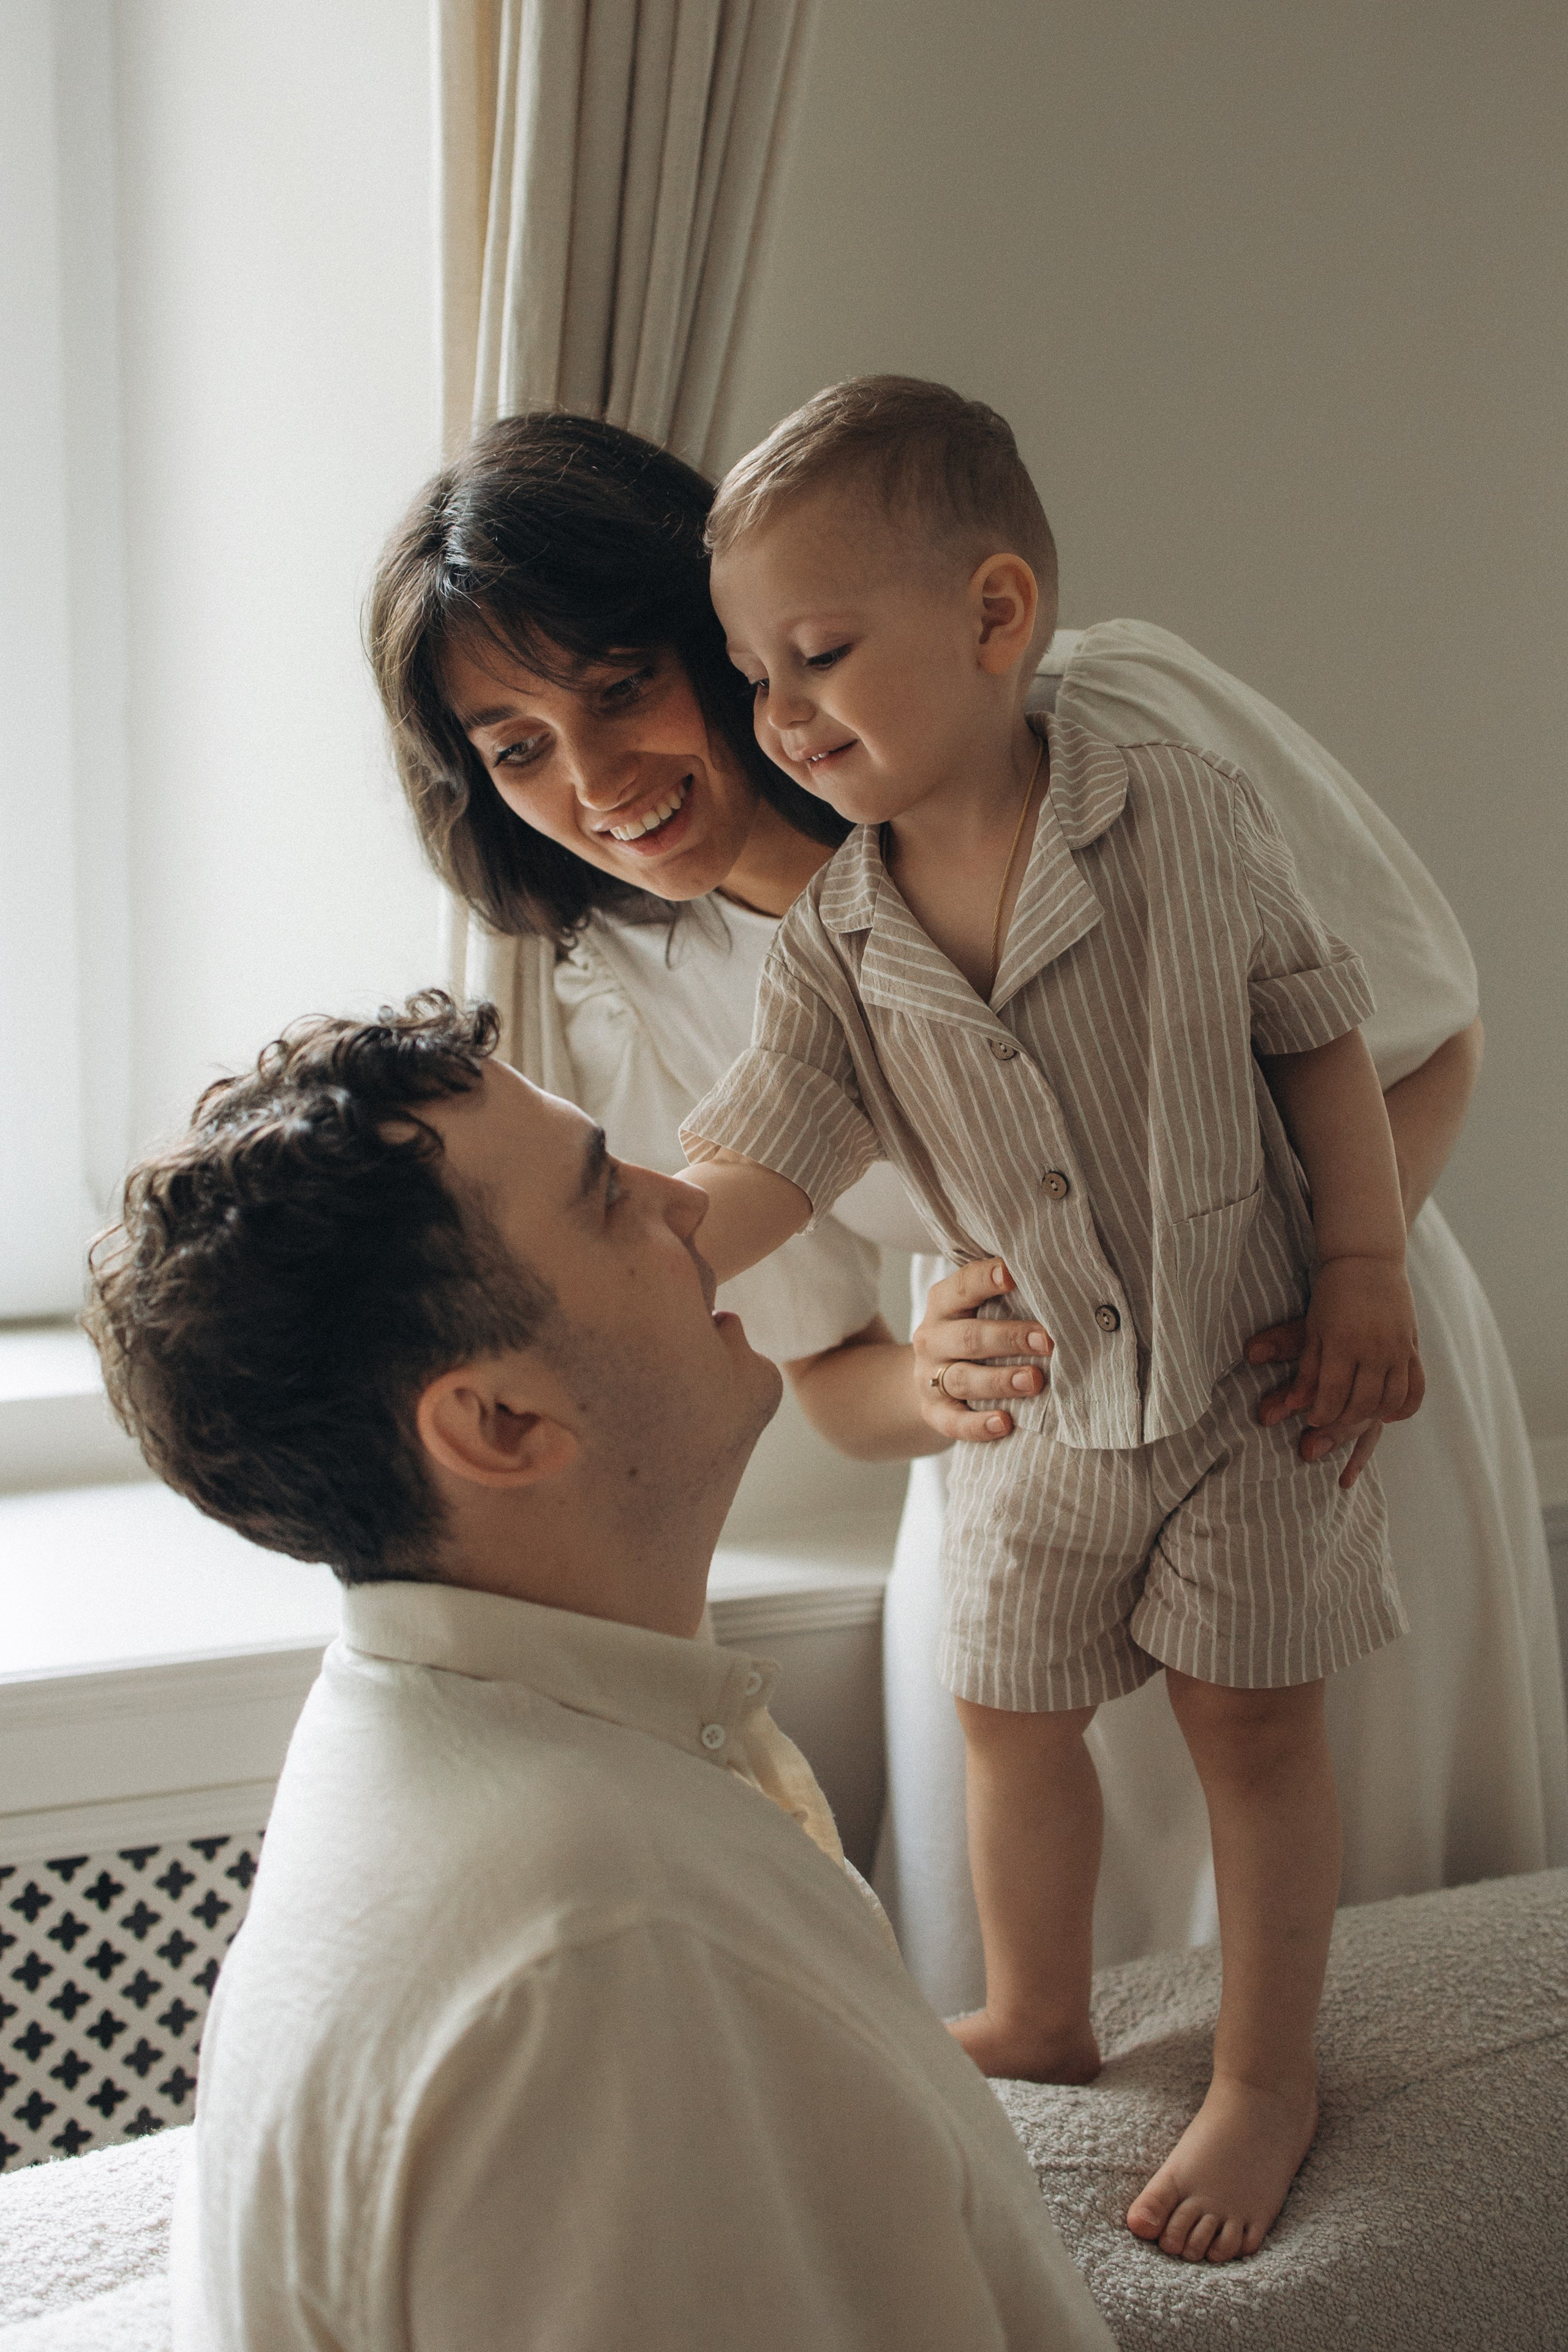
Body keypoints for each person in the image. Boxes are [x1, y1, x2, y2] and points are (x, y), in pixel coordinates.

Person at [368, 412, 1564, 1997]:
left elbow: (1425, 1027)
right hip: (1032, 1470)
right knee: (1065, 1953)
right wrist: (927, 1383)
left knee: (1383, 1957)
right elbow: (828, 1376)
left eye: (617, 686)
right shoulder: (639, 995)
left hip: (1321, 1383)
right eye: (518, 747)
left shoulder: (1114, 732)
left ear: (719, 638)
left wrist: (1297, 1291)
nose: (595, 779)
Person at [678, 374, 1428, 2262]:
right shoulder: (839, 939)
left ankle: (1266, 2072)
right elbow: (768, 1149)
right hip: (1038, 1419)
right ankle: (1041, 2005)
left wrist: (1363, 1270)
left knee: (1253, 1723)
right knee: (1005, 1713)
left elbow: (1322, 1030)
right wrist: (642, 1240)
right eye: (755, 673)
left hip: (1255, 1382)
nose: (780, 713)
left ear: (994, 617)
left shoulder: (1167, 806)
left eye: (820, 654)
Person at [83, 995, 1115, 2352]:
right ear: (501, 1422)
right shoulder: (613, 1963)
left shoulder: (424, 1735)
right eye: (603, 1198)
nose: (683, 1204)